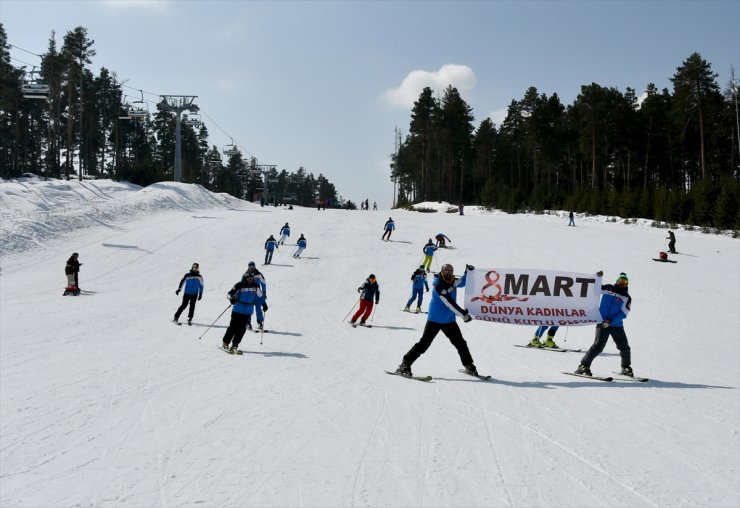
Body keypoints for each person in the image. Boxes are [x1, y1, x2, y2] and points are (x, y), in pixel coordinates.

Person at [395, 264, 479, 377]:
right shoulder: (437, 284)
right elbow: (449, 303)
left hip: (449, 320)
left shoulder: (452, 281)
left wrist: (467, 272)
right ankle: (405, 364)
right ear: (442, 271)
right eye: (446, 270)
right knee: (424, 344)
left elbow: (462, 282)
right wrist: (463, 315)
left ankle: (469, 365)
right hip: (435, 319)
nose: (449, 272)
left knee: (460, 343)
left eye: (451, 270)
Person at [575, 272, 633, 377]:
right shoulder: (609, 288)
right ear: (617, 281)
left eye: (624, 282)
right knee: (597, 347)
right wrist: (597, 277)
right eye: (620, 281)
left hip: (616, 325)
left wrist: (610, 321)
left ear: (627, 284)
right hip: (602, 323)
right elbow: (595, 289)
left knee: (624, 347)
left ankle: (626, 367)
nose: (622, 284)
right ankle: (583, 366)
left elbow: (624, 313)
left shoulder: (626, 297)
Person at [222, 271, 263, 353]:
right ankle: (225, 343)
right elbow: (229, 294)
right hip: (237, 309)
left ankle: (235, 345)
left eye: (251, 278)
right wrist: (232, 299)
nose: (250, 279)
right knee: (233, 327)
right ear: (245, 278)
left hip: (248, 311)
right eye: (248, 278)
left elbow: (260, 297)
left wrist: (264, 304)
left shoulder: (256, 286)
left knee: (242, 329)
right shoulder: (239, 285)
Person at [247, 261, 268, 330]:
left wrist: (264, 293)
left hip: (257, 294)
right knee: (249, 309)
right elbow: (241, 285)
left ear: (254, 266)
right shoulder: (246, 274)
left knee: (258, 309)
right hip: (249, 295)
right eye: (250, 267)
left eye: (252, 266)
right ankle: (248, 323)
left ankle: (260, 323)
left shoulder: (259, 274)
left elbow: (263, 283)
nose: (251, 268)